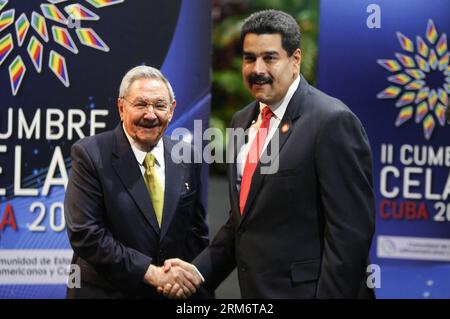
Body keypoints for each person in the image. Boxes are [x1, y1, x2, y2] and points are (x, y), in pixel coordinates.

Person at [162, 9, 376, 298]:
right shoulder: (241, 120)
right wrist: (196, 272)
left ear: (295, 60)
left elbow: (350, 234)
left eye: (270, 58)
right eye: (250, 58)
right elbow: (244, 221)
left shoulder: (331, 121)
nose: (257, 69)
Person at [64, 65, 209, 298]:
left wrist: (186, 282)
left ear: (172, 110)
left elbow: (196, 233)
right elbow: (86, 233)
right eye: (140, 104)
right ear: (121, 108)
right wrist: (150, 273)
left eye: (160, 105)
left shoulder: (187, 156)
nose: (150, 114)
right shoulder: (90, 154)